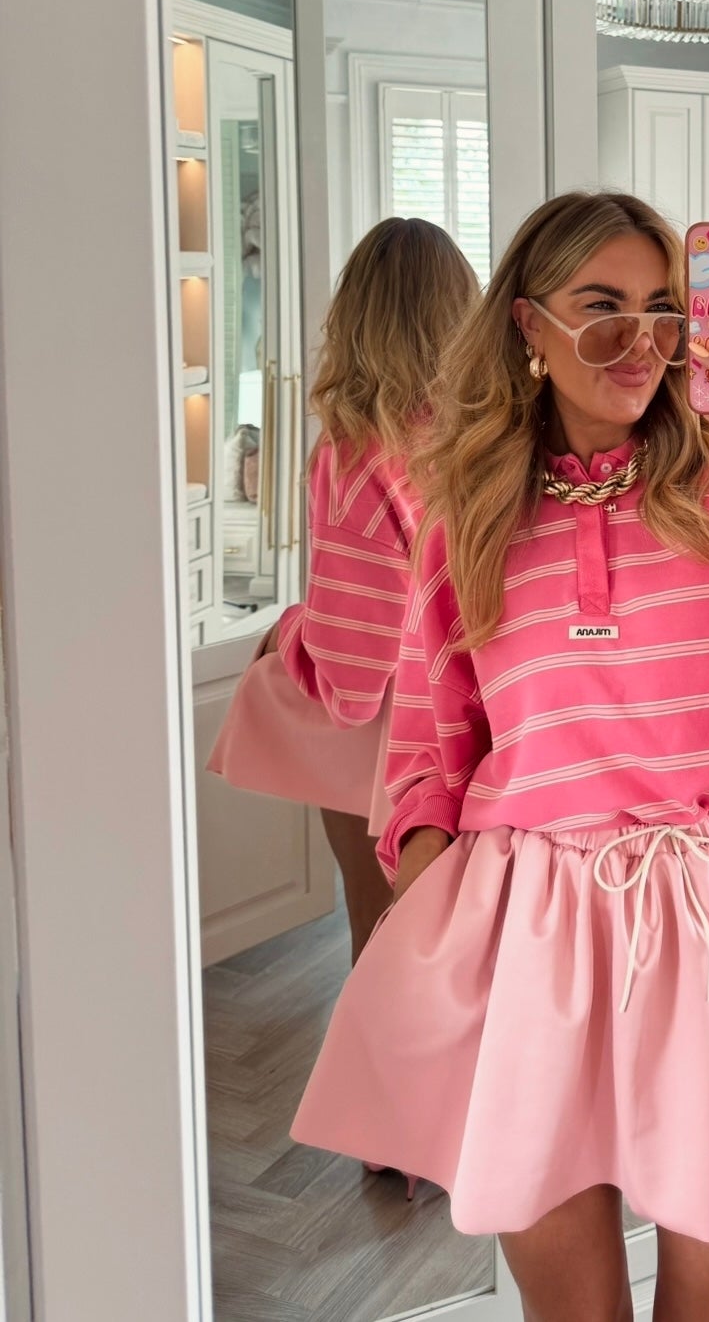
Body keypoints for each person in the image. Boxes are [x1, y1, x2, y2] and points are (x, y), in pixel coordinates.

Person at [292, 191, 709, 1322]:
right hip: (534, 939)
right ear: (527, 324)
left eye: (665, 309)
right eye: (600, 308)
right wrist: (424, 905)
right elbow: (429, 744)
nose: (641, 340)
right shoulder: (469, 515)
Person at [208, 216, 479, 963]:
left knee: (379, 946)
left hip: (392, 744)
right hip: (483, 724)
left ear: (355, 318)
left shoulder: (359, 454)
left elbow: (353, 677)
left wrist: (287, 632)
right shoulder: (493, 439)